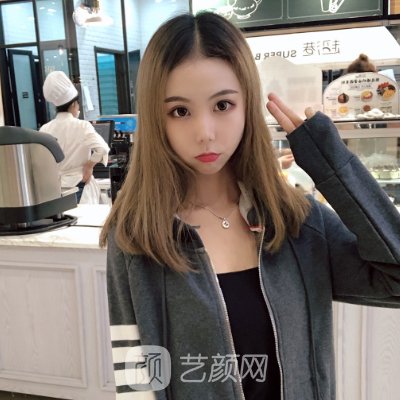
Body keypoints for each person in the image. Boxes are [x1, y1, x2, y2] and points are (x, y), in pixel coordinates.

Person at [100, 12, 400, 400]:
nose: (205, 133)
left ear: (247, 106)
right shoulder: (138, 237)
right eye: (180, 111)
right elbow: (136, 378)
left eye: (223, 105)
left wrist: (332, 166)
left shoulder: (296, 222)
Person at [40, 71, 109, 203]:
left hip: (56, 190)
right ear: (73, 105)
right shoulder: (82, 126)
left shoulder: (45, 129)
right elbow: (102, 149)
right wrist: (89, 166)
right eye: (78, 104)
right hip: (81, 184)